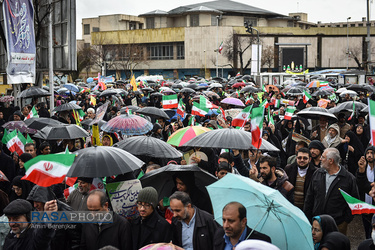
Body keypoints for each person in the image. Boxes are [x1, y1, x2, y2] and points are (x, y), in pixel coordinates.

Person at [304, 148, 359, 235]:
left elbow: (354, 202)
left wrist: (345, 221)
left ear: (331, 161)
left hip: (338, 224)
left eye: (323, 157)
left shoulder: (348, 178)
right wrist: (308, 218)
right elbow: (309, 197)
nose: (320, 159)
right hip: (317, 222)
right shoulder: (317, 174)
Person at [27, 185, 80, 250]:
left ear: (46, 199)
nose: (35, 205)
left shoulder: (68, 214)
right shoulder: (37, 212)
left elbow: (76, 242)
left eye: (37, 201)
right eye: (33, 202)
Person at [356, 145, 375, 239]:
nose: (369, 155)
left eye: (372, 153)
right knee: (367, 229)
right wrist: (361, 170)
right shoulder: (363, 168)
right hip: (365, 205)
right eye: (367, 153)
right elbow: (360, 184)